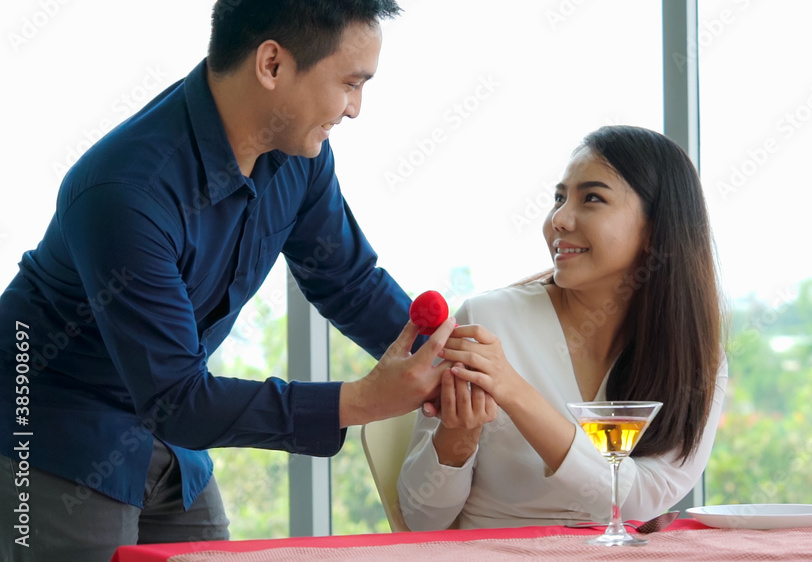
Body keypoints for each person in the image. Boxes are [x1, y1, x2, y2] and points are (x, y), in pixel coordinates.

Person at [0, 2, 455, 560]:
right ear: (271, 65)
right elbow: (178, 398)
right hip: (51, 432)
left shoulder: (300, 154)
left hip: (171, 430)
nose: (356, 109)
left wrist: (447, 358)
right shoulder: (125, 192)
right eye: (349, 83)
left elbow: (347, 280)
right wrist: (363, 400)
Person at [397, 125, 728, 531]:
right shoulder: (485, 323)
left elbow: (641, 500)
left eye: (592, 198)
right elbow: (421, 521)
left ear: (655, 230)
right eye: (558, 198)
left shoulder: (693, 359)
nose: (559, 219)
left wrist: (515, 392)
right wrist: (458, 438)